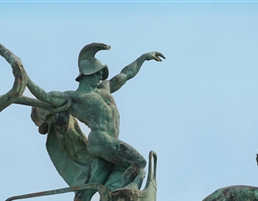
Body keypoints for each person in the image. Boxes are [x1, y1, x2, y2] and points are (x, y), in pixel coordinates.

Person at [27, 43, 164, 192]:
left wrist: (143, 58)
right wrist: (25, 78)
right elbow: (44, 96)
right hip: (100, 139)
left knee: (90, 186)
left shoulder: (105, 88)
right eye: (98, 72)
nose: (101, 76)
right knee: (139, 162)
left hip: (109, 143)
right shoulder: (74, 97)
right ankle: (127, 195)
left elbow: (125, 75)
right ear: (87, 73)